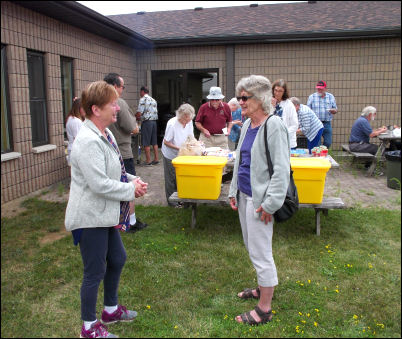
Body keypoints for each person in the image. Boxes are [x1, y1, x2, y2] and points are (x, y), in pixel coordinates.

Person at [65, 81, 149, 338]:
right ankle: (88, 328)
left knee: (117, 258)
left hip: (103, 213)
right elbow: (99, 184)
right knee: (94, 271)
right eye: (112, 104)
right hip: (89, 217)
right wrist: (130, 190)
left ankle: (110, 311)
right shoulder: (88, 140)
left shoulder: (106, 133)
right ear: (95, 109)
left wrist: (132, 180)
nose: (117, 107)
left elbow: (116, 171)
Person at [228, 75, 290, 326]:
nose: (240, 101)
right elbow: (240, 161)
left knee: (261, 253)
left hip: (261, 202)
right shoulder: (246, 125)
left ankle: (264, 308)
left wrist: (271, 203)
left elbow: (281, 169)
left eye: (245, 97)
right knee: (252, 247)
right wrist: (233, 190)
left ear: (261, 99)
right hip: (245, 196)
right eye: (240, 97)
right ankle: (261, 288)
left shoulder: (273, 126)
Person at [104, 73, 148, 233]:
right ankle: (131, 222)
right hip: (122, 151)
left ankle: (117, 220)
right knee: (128, 187)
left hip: (108, 151)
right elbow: (133, 127)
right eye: (122, 87)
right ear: (115, 86)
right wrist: (135, 128)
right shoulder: (118, 102)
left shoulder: (102, 102)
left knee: (115, 186)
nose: (123, 90)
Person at [161, 103, 195, 207]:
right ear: (182, 116)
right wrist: (179, 148)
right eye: (188, 118)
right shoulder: (172, 124)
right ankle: (172, 203)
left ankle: (183, 199)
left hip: (182, 155)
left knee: (181, 177)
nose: (189, 120)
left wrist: (195, 143)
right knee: (171, 178)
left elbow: (191, 137)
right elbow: (166, 142)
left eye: (190, 118)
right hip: (170, 154)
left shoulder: (189, 122)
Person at [307, 80, 338, 148]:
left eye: (321, 89)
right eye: (318, 88)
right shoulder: (312, 97)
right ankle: (318, 155)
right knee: (317, 143)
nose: (319, 90)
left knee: (328, 142)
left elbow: (335, 109)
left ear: (325, 89)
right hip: (316, 123)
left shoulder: (330, 97)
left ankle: (323, 152)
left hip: (327, 123)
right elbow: (308, 110)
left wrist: (333, 111)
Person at [271, 79, 298, 149]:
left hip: (287, 142)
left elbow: (295, 125)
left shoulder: (289, 105)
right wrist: (272, 107)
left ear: (284, 92)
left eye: (280, 91)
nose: (277, 93)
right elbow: (266, 120)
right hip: (272, 142)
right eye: (275, 90)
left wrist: (283, 134)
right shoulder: (269, 103)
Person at [137, 86, 159, 166]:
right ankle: (156, 159)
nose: (140, 94)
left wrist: (135, 117)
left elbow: (139, 112)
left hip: (147, 122)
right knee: (154, 141)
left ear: (142, 91)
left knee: (146, 142)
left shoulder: (143, 99)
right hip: (154, 122)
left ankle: (148, 161)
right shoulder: (153, 100)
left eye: (140, 92)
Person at [65, 97, 85, 166]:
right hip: (77, 151)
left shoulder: (73, 119)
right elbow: (79, 138)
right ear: (78, 108)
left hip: (74, 150)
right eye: (84, 108)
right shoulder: (75, 121)